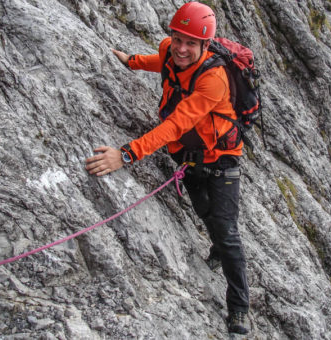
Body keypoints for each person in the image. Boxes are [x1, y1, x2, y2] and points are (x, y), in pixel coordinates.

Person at [85, 2, 249, 334]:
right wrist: (131, 62)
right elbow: (164, 63)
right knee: (205, 213)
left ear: (205, 45)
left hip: (222, 160)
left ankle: (239, 307)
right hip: (187, 157)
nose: (182, 48)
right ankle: (215, 241)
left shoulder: (214, 80)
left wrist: (126, 154)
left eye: (191, 43)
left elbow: (175, 124)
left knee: (228, 235)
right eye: (178, 38)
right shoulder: (169, 50)